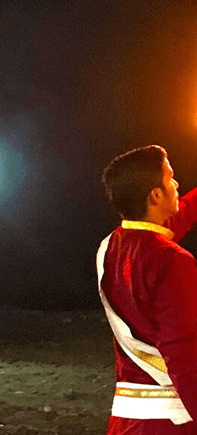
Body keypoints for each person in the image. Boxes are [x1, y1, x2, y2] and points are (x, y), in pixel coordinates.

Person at [97, 145, 197, 434]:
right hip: (172, 422)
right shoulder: (174, 261)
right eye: (170, 179)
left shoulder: (109, 247)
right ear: (155, 195)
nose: (177, 185)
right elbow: (182, 355)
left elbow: (156, 231)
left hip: (125, 420)